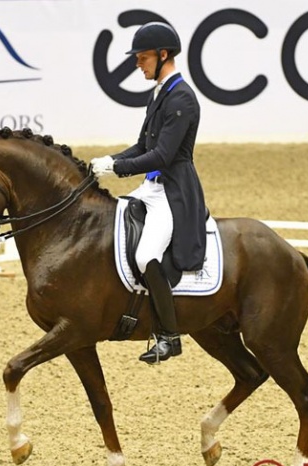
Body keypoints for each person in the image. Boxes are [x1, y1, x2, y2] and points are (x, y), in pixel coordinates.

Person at [90, 21, 207, 365]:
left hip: (174, 191)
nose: (138, 64)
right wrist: (109, 159)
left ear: (163, 55)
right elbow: (143, 144)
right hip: (152, 187)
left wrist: (117, 169)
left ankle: (170, 336)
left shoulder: (182, 98)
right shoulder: (160, 94)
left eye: (142, 58)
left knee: (146, 255)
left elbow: (162, 156)